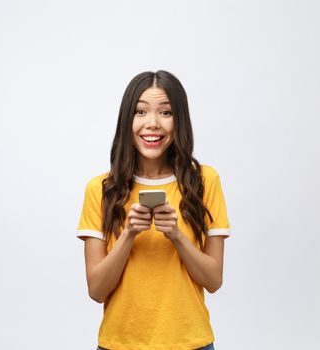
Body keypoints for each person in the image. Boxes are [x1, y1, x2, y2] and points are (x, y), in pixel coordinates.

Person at [77, 70, 231, 350]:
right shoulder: (100, 188)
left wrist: (175, 235)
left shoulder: (204, 181)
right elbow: (97, 291)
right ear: (127, 120)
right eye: (140, 112)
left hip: (191, 343)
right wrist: (128, 234)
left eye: (166, 113)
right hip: (119, 344)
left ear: (179, 121)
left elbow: (213, 280)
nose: (152, 124)